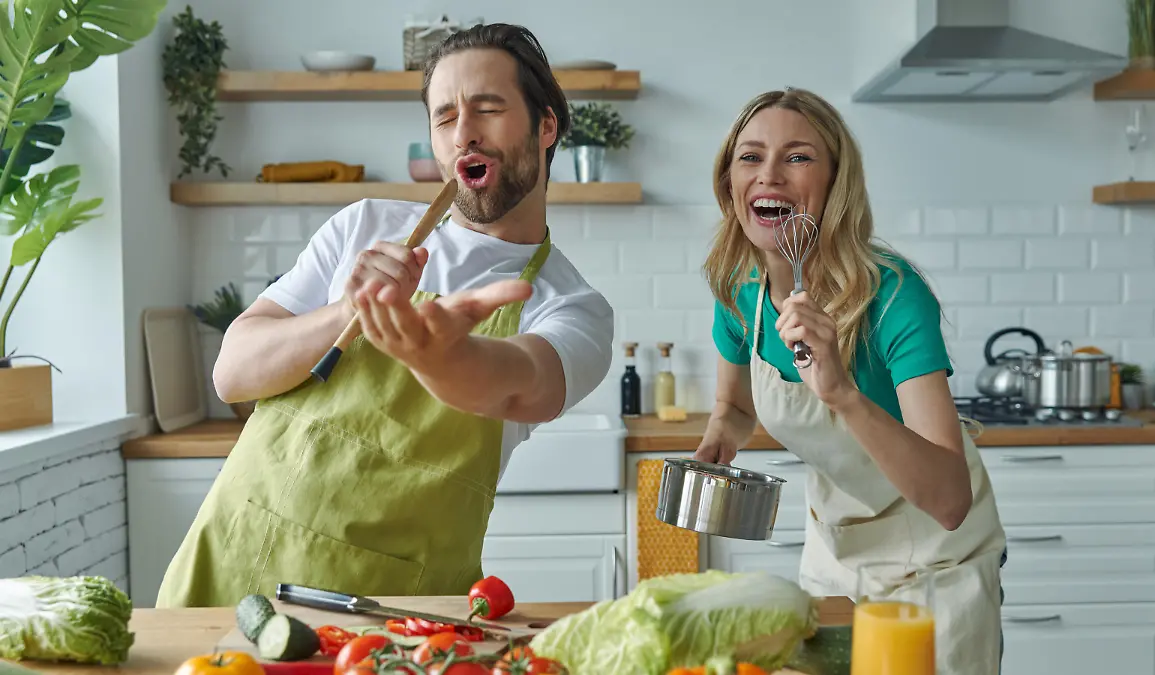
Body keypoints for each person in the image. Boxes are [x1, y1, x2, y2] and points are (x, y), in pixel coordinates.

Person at [156, 23, 614, 608]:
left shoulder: (570, 306)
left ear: (547, 125)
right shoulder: (364, 226)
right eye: (444, 117)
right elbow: (233, 372)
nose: (464, 134)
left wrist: (444, 354)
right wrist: (349, 307)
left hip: (395, 611)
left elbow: (520, 384)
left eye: (488, 109)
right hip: (233, 566)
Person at [693, 87, 1007, 675]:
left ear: (837, 181)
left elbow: (949, 501)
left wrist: (841, 392)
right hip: (833, 561)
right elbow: (733, 407)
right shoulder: (740, 290)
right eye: (751, 157)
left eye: (798, 157)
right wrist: (720, 439)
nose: (770, 175)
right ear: (729, 180)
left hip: (933, 573)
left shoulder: (893, 297)